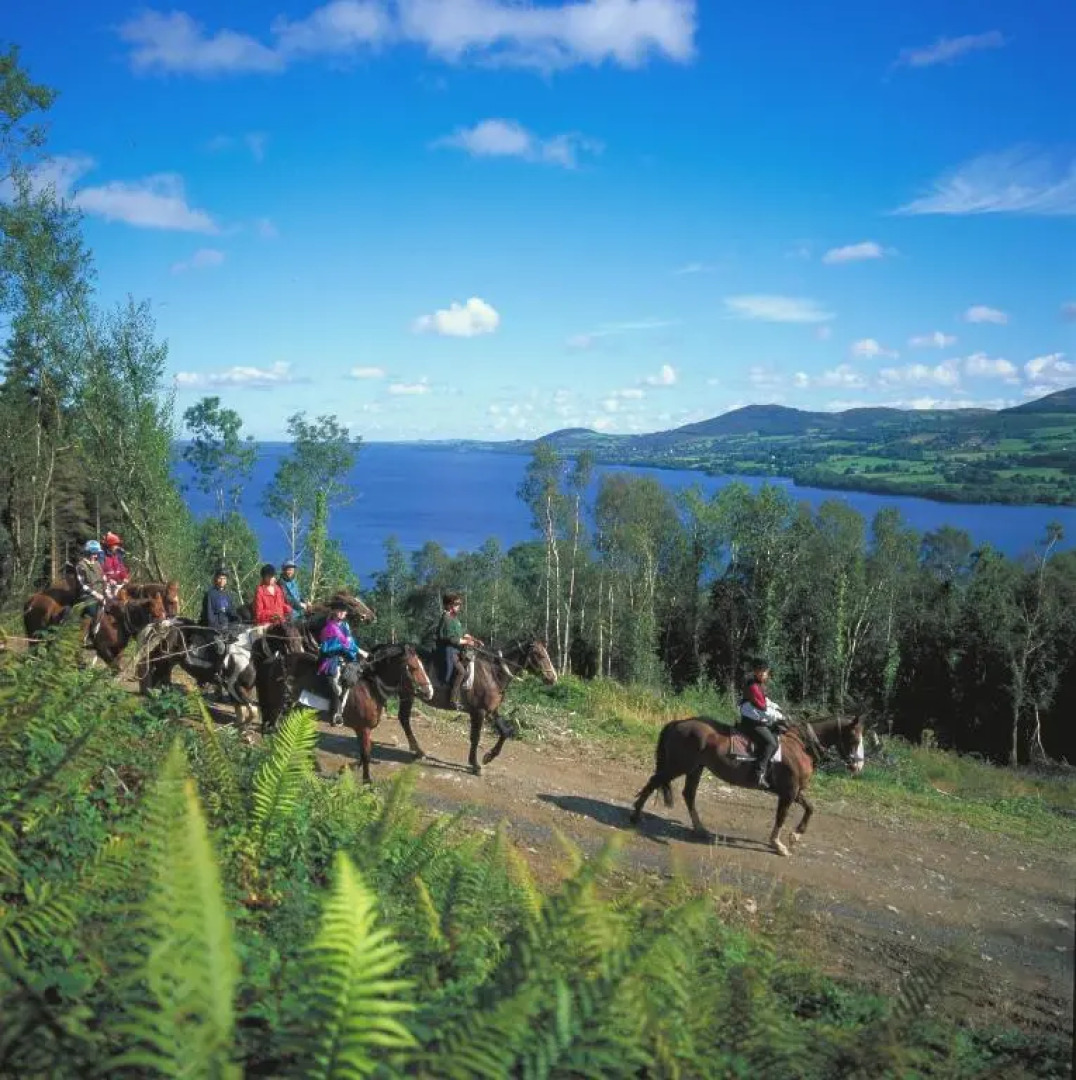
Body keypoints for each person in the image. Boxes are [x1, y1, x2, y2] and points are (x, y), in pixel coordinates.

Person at [738, 659, 785, 788]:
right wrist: (780, 716)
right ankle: (758, 774)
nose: (767, 675)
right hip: (751, 722)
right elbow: (762, 709)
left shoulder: (757, 684)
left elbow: (765, 701)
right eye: (765, 672)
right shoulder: (753, 687)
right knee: (771, 743)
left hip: (756, 718)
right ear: (758, 672)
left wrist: (777, 707)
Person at [318, 596, 360, 726]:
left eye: (344, 611)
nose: (341, 613)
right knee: (335, 685)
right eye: (339, 610)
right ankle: (335, 713)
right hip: (331, 658)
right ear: (334, 612)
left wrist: (354, 651)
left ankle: (346, 710)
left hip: (346, 658)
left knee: (352, 678)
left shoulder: (346, 626)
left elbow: (350, 643)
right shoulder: (328, 627)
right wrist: (342, 647)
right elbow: (325, 647)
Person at [436, 592, 482, 710]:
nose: (459, 607)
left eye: (459, 604)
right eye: (457, 604)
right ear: (450, 606)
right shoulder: (446, 619)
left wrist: (475, 640)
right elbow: (452, 639)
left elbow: (463, 633)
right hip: (448, 651)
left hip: (456, 650)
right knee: (462, 672)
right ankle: (452, 700)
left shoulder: (454, 619)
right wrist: (467, 642)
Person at [75, 540, 108, 643]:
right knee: (92, 610)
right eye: (93, 553)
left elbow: (103, 579)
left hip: (101, 593)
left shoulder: (97, 564)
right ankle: (84, 637)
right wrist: (96, 594)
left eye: (96, 553)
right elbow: (82, 585)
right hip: (87, 595)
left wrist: (107, 590)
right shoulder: (81, 566)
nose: (95, 555)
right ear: (88, 553)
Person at [101, 531, 130, 597]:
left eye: (118, 545)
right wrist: (109, 579)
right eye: (115, 545)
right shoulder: (102, 555)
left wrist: (125, 577)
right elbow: (100, 571)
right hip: (106, 586)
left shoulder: (117, 555)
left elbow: (121, 568)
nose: (117, 547)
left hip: (118, 585)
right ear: (110, 545)